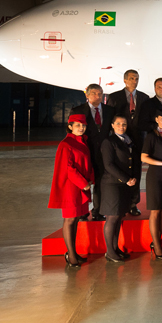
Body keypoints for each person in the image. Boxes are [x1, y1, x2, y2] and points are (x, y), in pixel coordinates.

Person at [50, 114, 94, 267]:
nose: (81, 128)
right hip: (70, 187)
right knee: (69, 220)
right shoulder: (66, 144)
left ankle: (73, 252)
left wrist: (90, 179)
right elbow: (68, 169)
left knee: (76, 220)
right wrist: (84, 183)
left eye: (83, 126)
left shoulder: (83, 141)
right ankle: (71, 255)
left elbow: (88, 163)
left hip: (81, 186)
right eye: (77, 125)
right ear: (70, 126)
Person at [107, 69, 149, 216]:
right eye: (131, 78)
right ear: (125, 80)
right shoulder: (114, 97)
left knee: (136, 171)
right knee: (120, 170)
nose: (134, 81)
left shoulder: (144, 97)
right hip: (118, 141)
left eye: (136, 78)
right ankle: (120, 202)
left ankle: (133, 204)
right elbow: (109, 119)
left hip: (137, 141)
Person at [71, 83, 114, 221]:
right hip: (85, 152)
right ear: (87, 95)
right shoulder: (78, 110)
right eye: (94, 93)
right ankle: (83, 211)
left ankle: (98, 211)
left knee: (101, 182)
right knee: (84, 182)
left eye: (100, 93)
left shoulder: (110, 110)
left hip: (103, 153)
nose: (98, 96)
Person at [100, 115, 136, 262]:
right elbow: (108, 165)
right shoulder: (109, 142)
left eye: (124, 124)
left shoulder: (128, 140)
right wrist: (127, 179)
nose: (122, 126)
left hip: (123, 184)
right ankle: (109, 251)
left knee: (119, 216)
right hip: (112, 184)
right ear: (112, 125)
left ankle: (115, 248)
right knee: (112, 217)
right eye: (119, 124)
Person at [140, 108, 162, 258]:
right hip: (156, 175)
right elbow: (144, 157)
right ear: (156, 120)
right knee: (155, 211)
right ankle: (156, 244)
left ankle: (159, 241)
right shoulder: (151, 136)